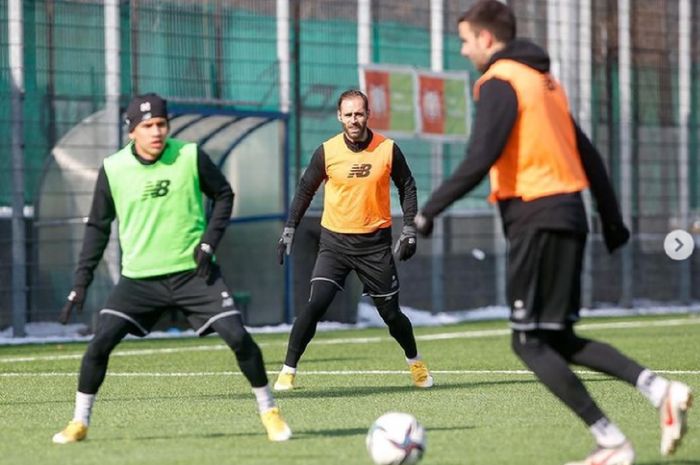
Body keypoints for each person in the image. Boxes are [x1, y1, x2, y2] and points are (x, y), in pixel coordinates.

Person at [414, 2, 692, 465]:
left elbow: (480, 157)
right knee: (556, 337)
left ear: (486, 39)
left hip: (536, 218)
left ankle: (611, 440)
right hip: (568, 216)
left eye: (465, 40)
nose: (463, 50)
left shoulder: (501, 82)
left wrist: (428, 212)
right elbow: (590, 156)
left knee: (527, 341)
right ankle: (659, 389)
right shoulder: (545, 84)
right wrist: (612, 219)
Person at [52, 93, 291, 444]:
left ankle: (269, 411)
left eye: (161, 124)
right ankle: (79, 422)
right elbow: (98, 228)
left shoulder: (190, 156)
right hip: (139, 280)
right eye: (147, 126)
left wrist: (208, 242)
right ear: (132, 131)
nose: (156, 132)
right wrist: (81, 282)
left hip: (194, 275)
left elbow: (224, 195)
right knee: (99, 343)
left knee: (239, 337)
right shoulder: (114, 169)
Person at [273, 89, 433, 391]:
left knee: (390, 315)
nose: (353, 120)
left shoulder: (387, 149)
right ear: (339, 116)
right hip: (334, 244)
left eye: (359, 113)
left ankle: (416, 363)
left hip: (374, 246)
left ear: (368, 114)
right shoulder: (327, 151)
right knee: (315, 304)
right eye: (348, 114)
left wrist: (409, 229)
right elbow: (306, 189)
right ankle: (287, 371)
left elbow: (407, 186)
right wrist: (290, 227)